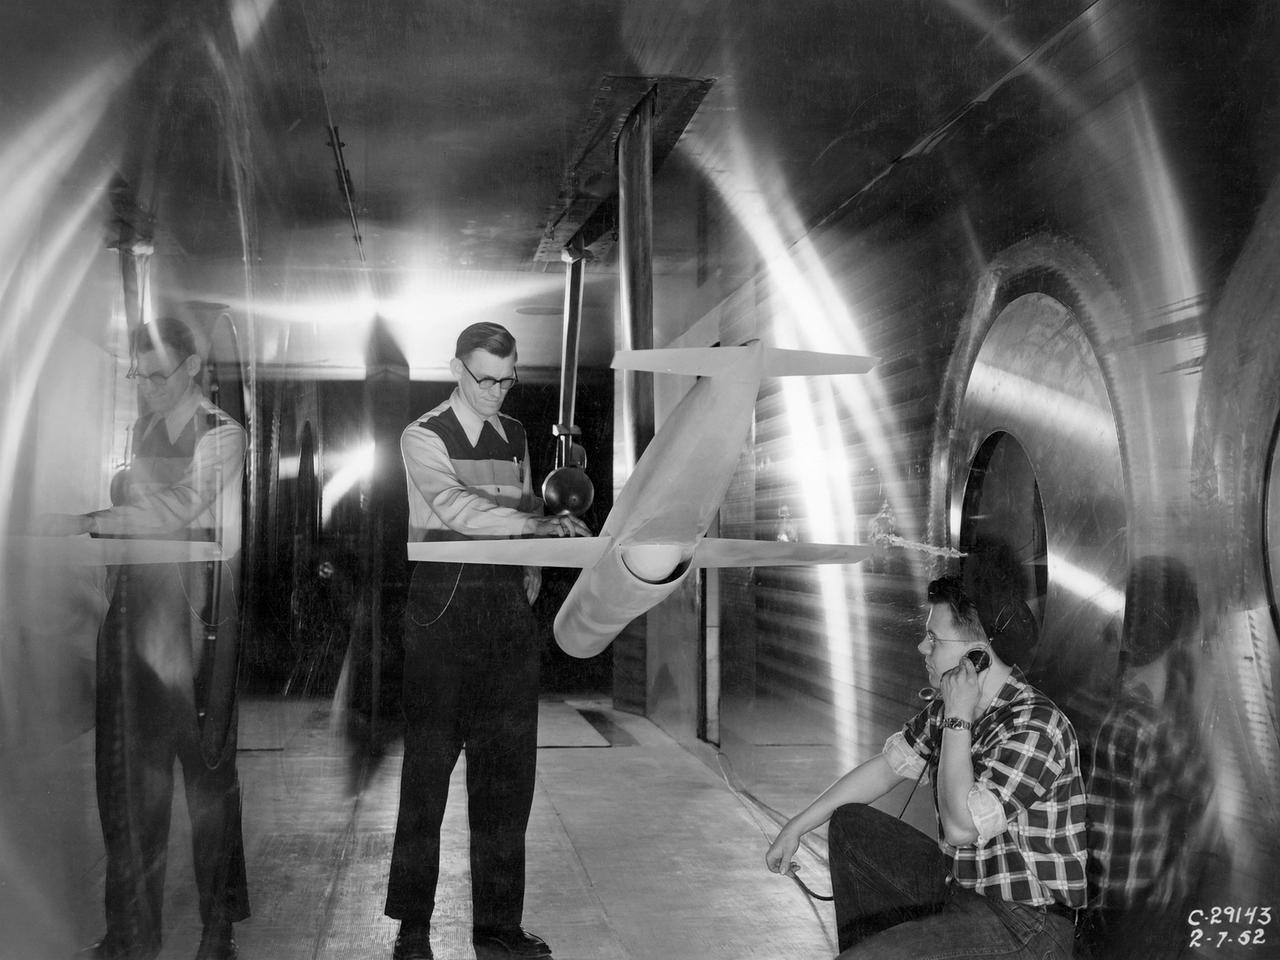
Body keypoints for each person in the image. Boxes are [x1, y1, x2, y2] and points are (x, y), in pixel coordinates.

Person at [40, 317, 249, 960]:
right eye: (138, 375)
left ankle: (216, 931)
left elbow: (182, 506)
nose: (147, 387)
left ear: (191, 368)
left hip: (196, 624)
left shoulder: (224, 436)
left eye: (157, 374)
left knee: (207, 785)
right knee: (129, 789)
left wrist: (88, 520)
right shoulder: (142, 432)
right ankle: (132, 931)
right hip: (135, 619)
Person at [384, 322, 589, 960]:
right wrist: (537, 526)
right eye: (485, 378)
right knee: (428, 772)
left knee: (507, 777)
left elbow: (527, 502)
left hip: (504, 610)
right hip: (442, 606)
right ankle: (413, 928)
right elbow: (455, 507)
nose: (497, 391)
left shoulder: (518, 435)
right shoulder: (422, 435)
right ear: (456, 369)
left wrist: (530, 565)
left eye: (507, 378)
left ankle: (497, 929)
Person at [765, 576, 1087, 959]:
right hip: (962, 892)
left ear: (977, 654)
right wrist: (797, 826)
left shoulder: (1034, 726)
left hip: (1029, 926)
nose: (923, 647)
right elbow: (886, 769)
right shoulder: (948, 708)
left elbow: (960, 827)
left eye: (934, 639)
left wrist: (957, 719)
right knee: (853, 826)